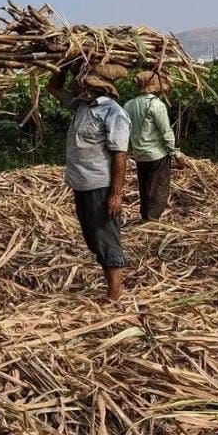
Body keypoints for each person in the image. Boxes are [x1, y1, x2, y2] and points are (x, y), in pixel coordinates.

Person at [47, 64, 131, 301]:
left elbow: (120, 154)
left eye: (84, 82)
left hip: (100, 185)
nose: (79, 85)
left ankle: (115, 293)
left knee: (105, 235)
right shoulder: (82, 106)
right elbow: (53, 87)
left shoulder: (113, 113)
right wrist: (63, 64)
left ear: (99, 87)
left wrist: (116, 194)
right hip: (81, 183)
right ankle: (111, 287)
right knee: (93, 237)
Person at [124, 70, 183, 222]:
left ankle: (145, 217)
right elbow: (166, 132)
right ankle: (152, 220)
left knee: (144, 188)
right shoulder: (156, 105)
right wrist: (176, 154)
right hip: (157, 154)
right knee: (158, 189)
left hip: (139, 155)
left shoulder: (128, 105)